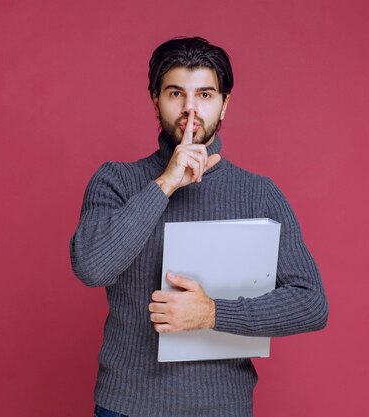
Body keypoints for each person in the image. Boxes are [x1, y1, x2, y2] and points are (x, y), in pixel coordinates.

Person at [70, 36, 328, 417]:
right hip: (126, 406)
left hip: (221, 407)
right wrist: (166, 183)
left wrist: (212, 314)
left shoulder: (258, 192)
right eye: (176, 93)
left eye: (205, 95)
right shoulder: (116, 181)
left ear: (225, 104)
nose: (190, 109)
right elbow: (92, 267)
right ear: (155, 100)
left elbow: (311, 304)